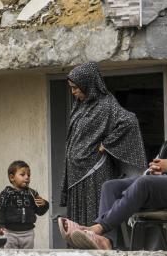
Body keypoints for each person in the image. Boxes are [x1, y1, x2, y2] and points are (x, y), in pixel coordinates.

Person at [60, 91, 167, 250]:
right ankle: (106, 241)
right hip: (165, 188)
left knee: (145, 183)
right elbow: (149, 175)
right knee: (111, 186)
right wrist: (153, 172)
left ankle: (97, 228)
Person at [61, 62, 147, 226]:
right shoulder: (80, 106)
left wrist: (107, 143)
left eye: (75, 88)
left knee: (94, 215)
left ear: (87, 83)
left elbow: (130, 121)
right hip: (76, 173)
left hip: (95, 172)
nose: (73, 92)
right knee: (76, 222)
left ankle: (99, 246)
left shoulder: (106, 104)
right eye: (71, 88)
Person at [0, 160, 49, 249]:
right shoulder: (6, 193)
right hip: (10, 233)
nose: (27, 177)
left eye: (29, 175)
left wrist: (44, 204)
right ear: (12, 178)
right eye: (22, 175)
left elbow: (39, 212)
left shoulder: (32, 193)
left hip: (28, 233)